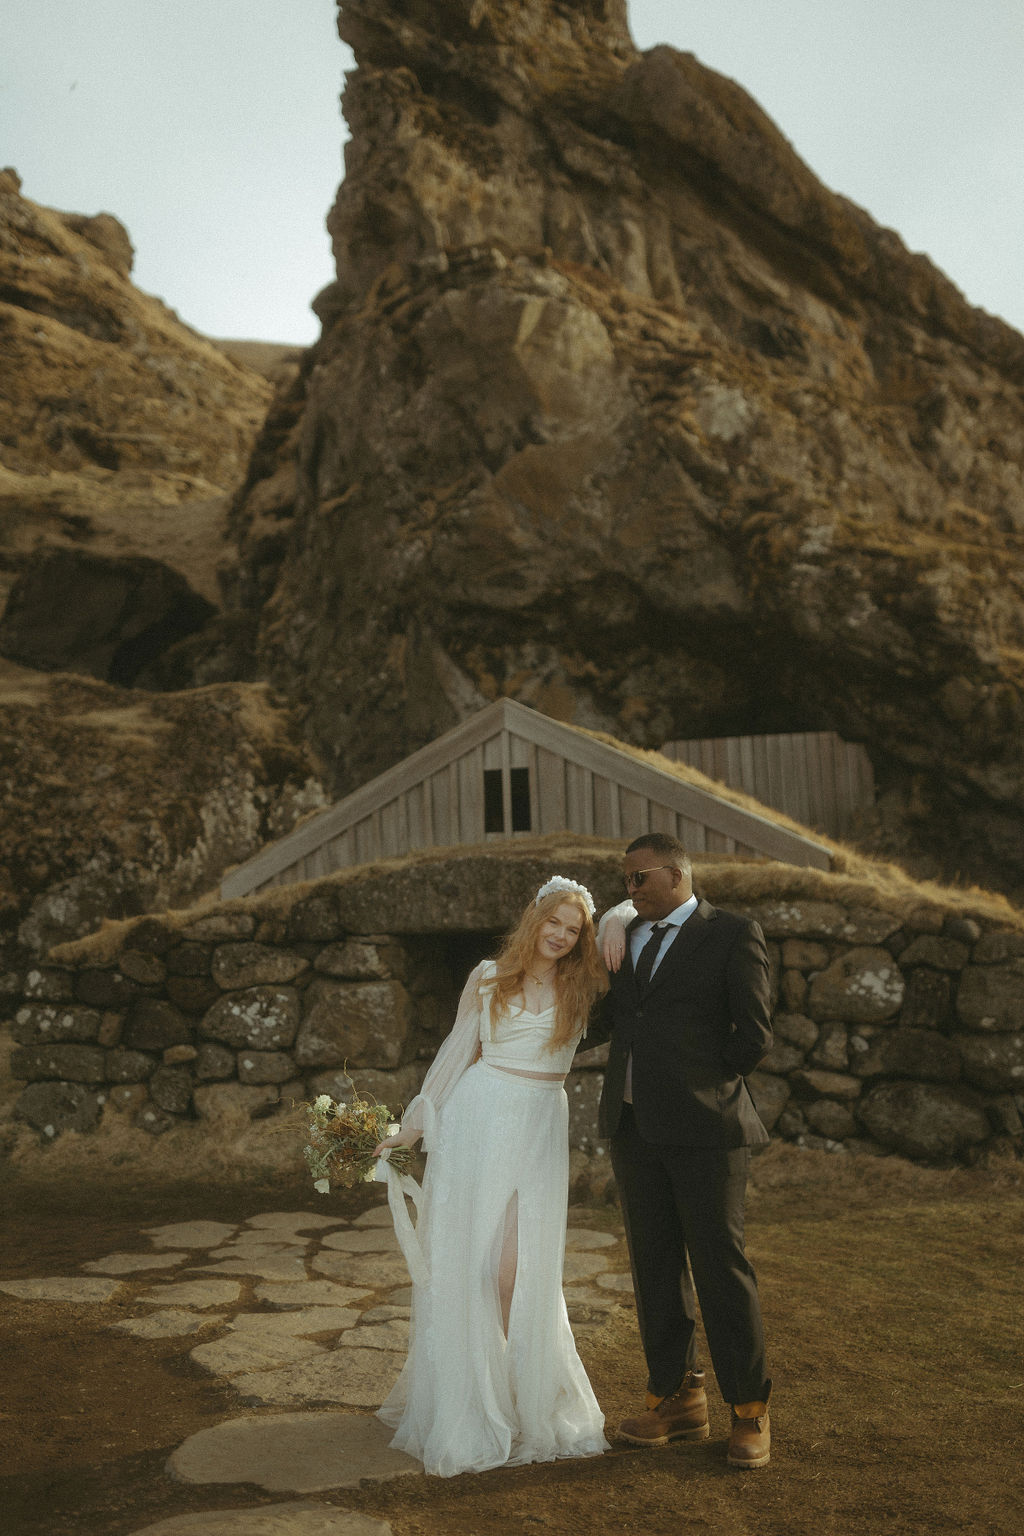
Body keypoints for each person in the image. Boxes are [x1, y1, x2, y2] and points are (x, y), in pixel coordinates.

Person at [373, 876, 610, 1478]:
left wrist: (618, 918)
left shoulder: (584, 986)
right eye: (553, 921)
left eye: (573, 929)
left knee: (517, 1269)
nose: (560, 935)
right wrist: (414, 1126)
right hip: (478, 1120)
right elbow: (457, 1051)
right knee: (476, 1263)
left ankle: (527, 1395)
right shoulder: (487, 976)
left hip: (537, 1126)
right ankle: (477, 1398)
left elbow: (629, 928)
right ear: (535, 918)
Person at [589, 832, 774, 1469]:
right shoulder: (626, 936)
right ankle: (677, 1398)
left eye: (636, 880)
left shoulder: (732, 933)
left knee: (721, 1269)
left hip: (706, 1132)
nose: (628, 890)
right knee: (655, 1267)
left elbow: (753, 1036)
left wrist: (700, 1088)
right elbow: (607, 1022)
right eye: (623, 883)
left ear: (675, 874)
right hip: (634, 1132)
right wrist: (610, 923)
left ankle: (749, 1411)